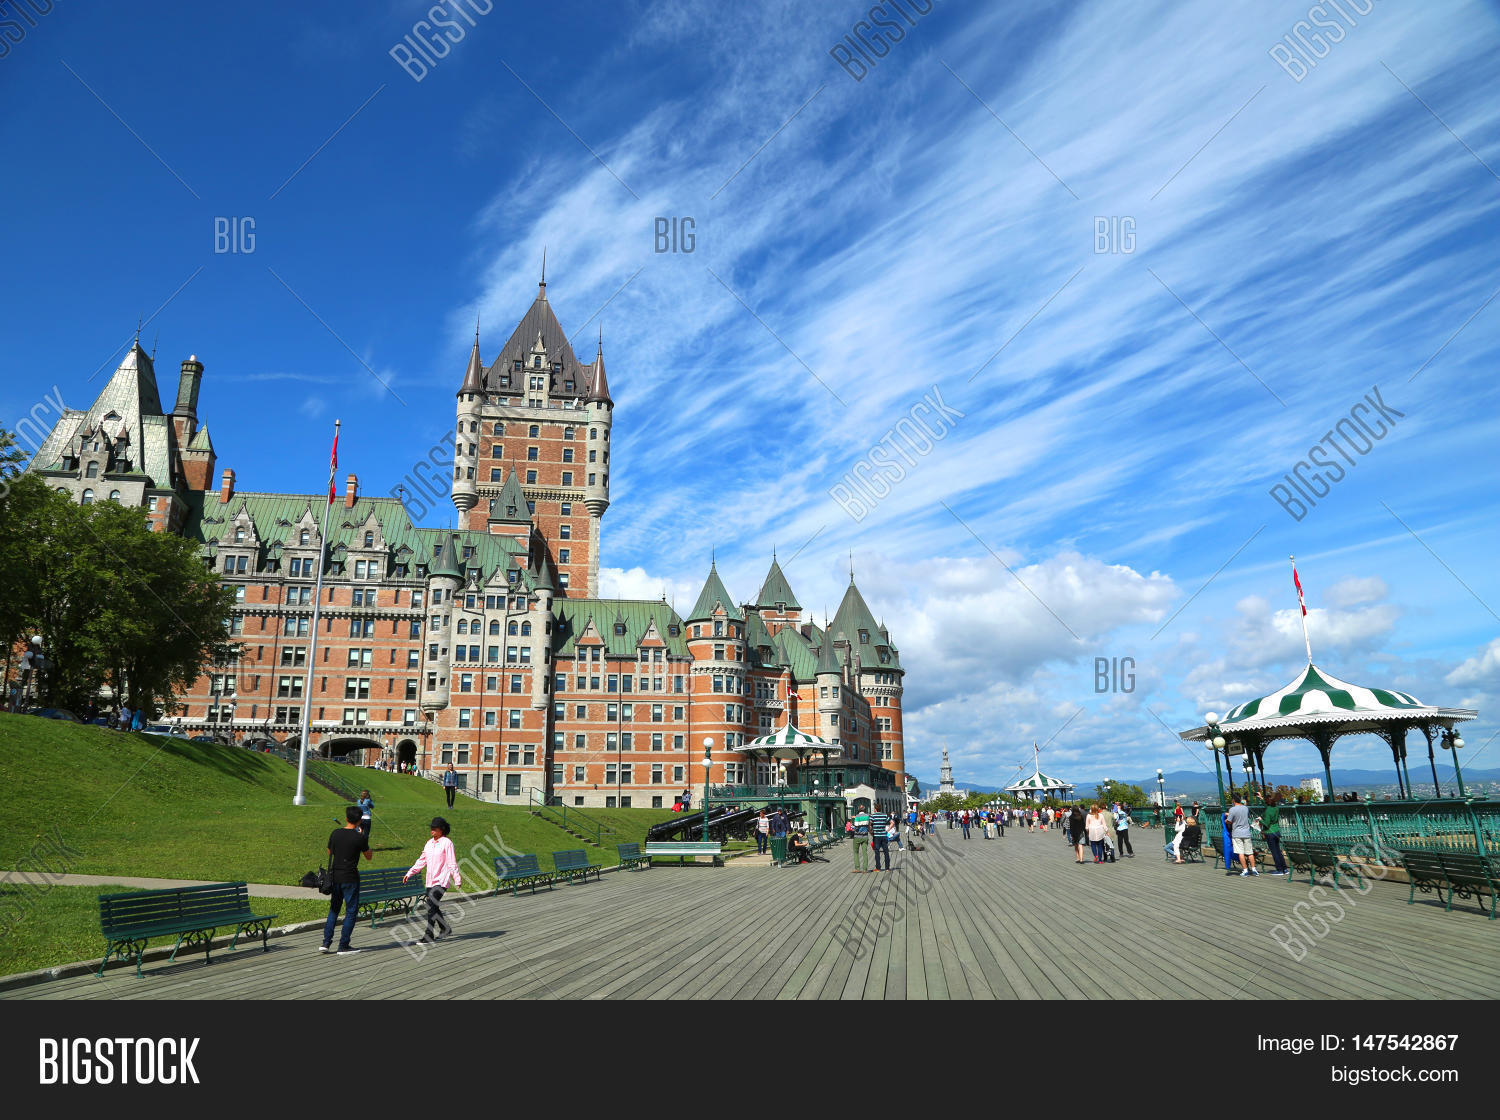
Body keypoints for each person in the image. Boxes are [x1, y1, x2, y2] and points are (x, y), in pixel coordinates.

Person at [322, 805, 372, 955]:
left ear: (346, 818)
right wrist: (362, 838)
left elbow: (330, 851)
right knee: (351, 911)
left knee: (334, 909)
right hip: (350, 877)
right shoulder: (359, 837)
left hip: (335, 876)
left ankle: (326, 943)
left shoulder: (336, 833)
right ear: (359, 821)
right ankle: (343, 945)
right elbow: (369, 856)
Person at [404, 816, 461, 944]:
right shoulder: (429, 843)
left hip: (442, 880)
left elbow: (452, 862)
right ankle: (445, 928)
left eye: (435, 828)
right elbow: (422, 860)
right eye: (431, 828)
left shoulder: (447, 843)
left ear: (442, 829)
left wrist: (456, 878)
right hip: (430, 880)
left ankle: (428, 935)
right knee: (433, 906)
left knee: (430, 906)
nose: (432, 830)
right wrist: (410, 873)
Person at [1226, 793, 1257, 876]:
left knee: (1241, 853)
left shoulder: (1232, 809)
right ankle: (1254, 869)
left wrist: (1226, 819)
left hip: (1237, 833)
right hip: (1246, 833)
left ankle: (1245, 870)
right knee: (1250, 852)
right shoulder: (1245, 808)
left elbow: (1229, 821)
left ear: (1233, 800)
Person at [1260, 796, 1289, 875]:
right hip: (1277, 831)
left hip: (1270, 833)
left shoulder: (1268, 811)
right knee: (1278, 851)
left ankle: (1279, 869)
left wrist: (1260, 820)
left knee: (1274, 852)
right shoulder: (1276, 808)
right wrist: (1262, 798)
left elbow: (1266, 823)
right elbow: (1268, 806)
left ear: (1267, 802)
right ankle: (1285, 869)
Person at [869, 804, 891, 871]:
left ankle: (878, 868)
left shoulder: (873, 816)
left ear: (875, 809)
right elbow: (892, 823)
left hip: (876, 836)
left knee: (877, 851)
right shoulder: (885, 815)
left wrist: (871, 832)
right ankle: (887, 868)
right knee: (886, 851)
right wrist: (887, 830)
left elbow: (869, 825)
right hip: (884, 835)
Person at [851, 806, 871, 873]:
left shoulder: (857, 816)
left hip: (857, 837)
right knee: (865, 853)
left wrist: (853, 827)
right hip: (865, 836)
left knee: (856, 852)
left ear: (858, 810)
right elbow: (869, 825)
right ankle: (865, 869)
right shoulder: (867, 816)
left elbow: (856, 827)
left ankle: (857, 868)